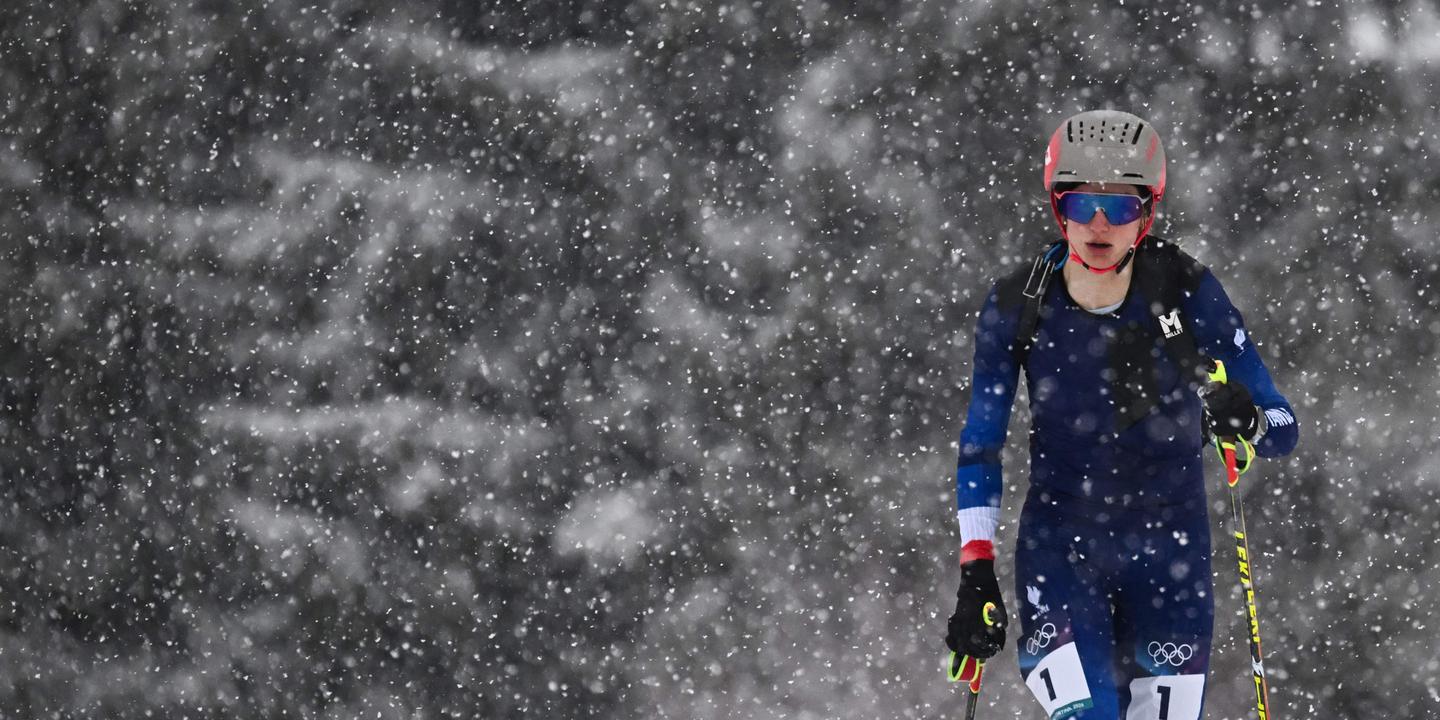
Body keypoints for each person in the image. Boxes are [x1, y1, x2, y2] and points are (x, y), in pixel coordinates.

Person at [942, 110, 1299, 719]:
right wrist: (976, 570)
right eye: (1083, 205)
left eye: (1121, 206)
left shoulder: (1187, 290)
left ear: (1148, 212)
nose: (1100, 225)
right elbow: (981, 446)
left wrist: (1248, 420)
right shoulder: (1017, 304)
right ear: (1059, 209)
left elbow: (1282, 430)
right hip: (1061, 548)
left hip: (1171, 559)